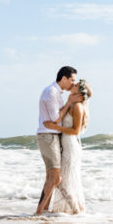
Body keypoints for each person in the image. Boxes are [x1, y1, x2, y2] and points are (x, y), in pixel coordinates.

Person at [34, 66, 83, 215]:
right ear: (64, 78)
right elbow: (55, 118)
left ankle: (43, 211)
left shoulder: (57, 93)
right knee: (55, 178)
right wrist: (68, 102)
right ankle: (39, 212)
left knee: (51, 177)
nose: (73, 83)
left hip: (53, 136)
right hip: (48, 136)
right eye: (72, 80)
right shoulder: (51, 92)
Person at [44, 78, 91, 214]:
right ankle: (76, 210)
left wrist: (54, 127)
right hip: (66, 145)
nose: (73, 84)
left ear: (80, 93)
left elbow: (75, 131)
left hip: (71, 146)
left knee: (62, 181)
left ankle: (77, 211)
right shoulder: (71, 104)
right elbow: (58, 117)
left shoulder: (77, 107)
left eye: (76, 85)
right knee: (64, 180)